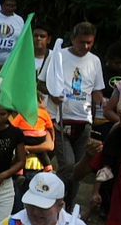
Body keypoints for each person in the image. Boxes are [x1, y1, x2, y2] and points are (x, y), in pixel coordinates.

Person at [43, 22, 105, 206]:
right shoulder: (57, 56)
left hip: (84, 121)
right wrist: (53, 95)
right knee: (67, 166)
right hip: (60, 120)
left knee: (80, 169)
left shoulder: (94, 61)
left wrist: (102, 103)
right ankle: (56, 203)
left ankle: (69, 208)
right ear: (73, 39)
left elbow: (97, 90)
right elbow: (41, 83)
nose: (85, 47)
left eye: (89, 43)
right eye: (81, 42)